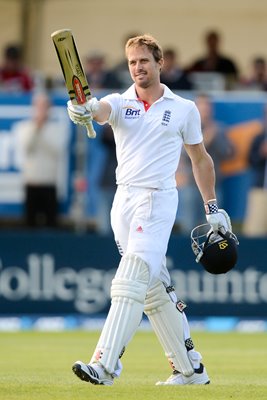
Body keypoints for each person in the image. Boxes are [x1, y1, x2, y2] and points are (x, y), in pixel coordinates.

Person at [67, 34, 232, 386]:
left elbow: (200, 159)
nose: (137, 68)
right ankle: (191, 370)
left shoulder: (183, 108)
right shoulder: (119, 102)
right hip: (122, 203)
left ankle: (105, 365)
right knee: (154, 290)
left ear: (160, 63)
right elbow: (98, 110)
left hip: (157, 201)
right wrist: (83, 108)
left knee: (129, 282)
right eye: (131, 62)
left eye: (144, 60)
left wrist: (212, 208)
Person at [176, 93, 234, 233]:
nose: (205, 109)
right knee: (189, 226)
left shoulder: (219, 129)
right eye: (201, 106)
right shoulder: (186, 127)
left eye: (207, 106)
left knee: (213, 226)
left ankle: (210, 254)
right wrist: (207, 137)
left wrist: (216, 136)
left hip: (213, 187)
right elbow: (186, 155)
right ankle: (188, 254)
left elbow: (228, 153)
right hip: (191, 184)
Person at [14, 92, 68, 228]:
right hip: (31, 183)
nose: (41, 110)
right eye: (38, 106)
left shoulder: (57, 128)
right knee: (29, 226)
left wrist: (42, 129)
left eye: (45, 106)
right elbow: (26, 147)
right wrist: (36, 128)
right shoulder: (24, 127)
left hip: (49, 184)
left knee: (51, 226)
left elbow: (57, 149)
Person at [243, 128, 267, 236]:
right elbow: (250, 160)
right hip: (260, 189)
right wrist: (261, 153)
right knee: (256, 230)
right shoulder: (260, 138)